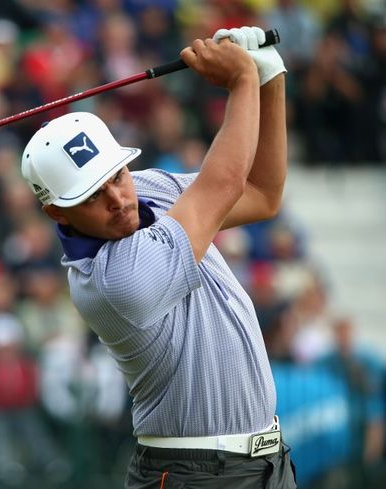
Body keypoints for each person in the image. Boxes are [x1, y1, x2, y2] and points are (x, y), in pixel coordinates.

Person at [20, 26, 294, 488]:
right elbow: (224, 184)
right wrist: (243, 82)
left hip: (266, 463)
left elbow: (261, 193)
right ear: (56, 211)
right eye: (92, 195)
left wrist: (270, 76)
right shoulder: (113, 281)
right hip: (193, 474)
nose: (119, 199)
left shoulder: (147, 189)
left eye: (117, 175)